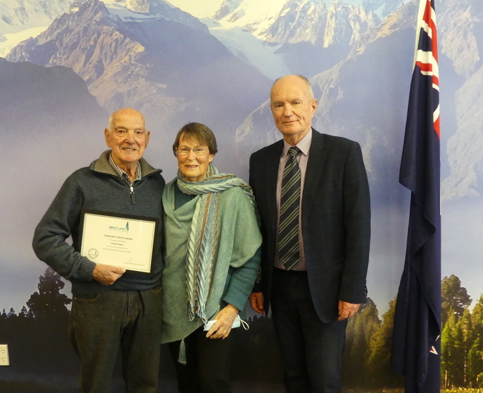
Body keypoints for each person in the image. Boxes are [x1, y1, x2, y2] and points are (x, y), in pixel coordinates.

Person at [249, 75, 371, 393]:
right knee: (293, 377)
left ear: (313, 106)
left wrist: (353, 290)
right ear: (272, 111)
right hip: (279, 286)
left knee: (324, 381)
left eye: (295, 102)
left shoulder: (344, 153)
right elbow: (257, 228)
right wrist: (259, 283)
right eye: (279, 104)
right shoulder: (260, 161)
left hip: (326, 291)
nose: (287, 111)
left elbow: (358, 227)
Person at [32, 108, 165, 393]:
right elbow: (45, 238)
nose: (130, 139)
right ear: (108, 136)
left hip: (149, 300)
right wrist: (89, 269)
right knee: (96, 386)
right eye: (121, 131)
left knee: (146, 385)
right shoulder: (81, 182)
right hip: (98, 299)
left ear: (147, 138)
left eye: (138, 132)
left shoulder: (157, 184)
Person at [162, 122, 261, 393]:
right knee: (188, 384)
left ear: (212, 154)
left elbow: (250, 257)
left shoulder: (232, 195)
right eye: (184, 149)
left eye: (199, 149)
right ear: (176, 153)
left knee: (212, 384)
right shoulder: (165, 195)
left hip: (215, 311)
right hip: (172, 310)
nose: (191, 157)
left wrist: (232, 309)